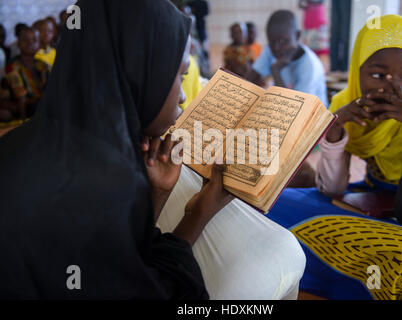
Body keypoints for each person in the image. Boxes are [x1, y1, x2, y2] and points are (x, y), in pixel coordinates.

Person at [0, 0, 305, 299]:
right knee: (284, 252)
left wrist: (156, 194)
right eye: (179, 76)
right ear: (139, 73)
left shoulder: (27, 140)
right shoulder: (97, 186)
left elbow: (127, 259)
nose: (184, 97)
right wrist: (200, 211)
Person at [266, 15, 402, 300]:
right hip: (369, 201)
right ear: (357, 71)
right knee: (265, 207)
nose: (394, 89)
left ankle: (326, 273)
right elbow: (332, 190)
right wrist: (335, 132)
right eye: (378, 75)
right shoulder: (344, 105)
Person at [246, 10, 328, 106]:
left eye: (283, 41)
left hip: (310, 116)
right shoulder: (270, 49)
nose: (276, 47)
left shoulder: (310, 66)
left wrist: (276, 70)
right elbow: (248, 80)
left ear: (297, 36)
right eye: (272, 42)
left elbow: (290, 109)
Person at [4, 26, 50, 120]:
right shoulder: (12, 66)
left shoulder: (43, 65)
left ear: (39, 44)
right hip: (26, 106)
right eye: (25, 40)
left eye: (34, 40)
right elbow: (20, 96)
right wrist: (23, 118)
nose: (30, 43)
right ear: (18, 44)